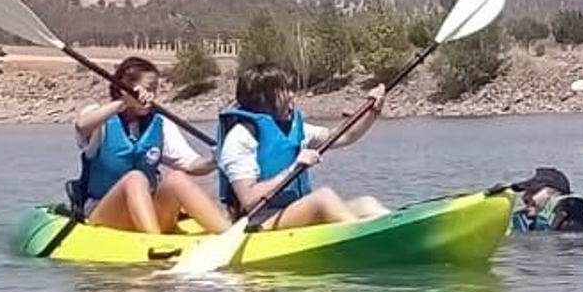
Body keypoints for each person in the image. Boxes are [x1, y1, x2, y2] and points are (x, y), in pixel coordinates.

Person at [216, 64, 390, 232]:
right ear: (263, 98)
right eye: (284, 91)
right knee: (323, 198)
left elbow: (346, 136)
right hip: (258, 219)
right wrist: (292, 170)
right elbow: (248, 199)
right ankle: (364, 244)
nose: (292, 95)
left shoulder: (294, 128)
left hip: (293, 211)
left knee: (368, 204)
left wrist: (372, 111)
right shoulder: (240, 138)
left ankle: (396, 236)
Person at [72, 58, 227, 234]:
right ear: (125, 88)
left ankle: (226, 233)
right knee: (135, 178)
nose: (152, 96)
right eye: (148, 89)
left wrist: (214, 160)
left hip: (149, 210)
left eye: (155, 90)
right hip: (104, 214)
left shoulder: (160, 123)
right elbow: (82, 126)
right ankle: (154, 243)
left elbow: (191, 164)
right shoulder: (99, 118)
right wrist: (124, 102)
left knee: (177, 178)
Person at [490, 166, 583, 234]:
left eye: (533, 192)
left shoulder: (571, 206)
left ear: (554, 193)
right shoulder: (550, 219)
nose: (525, 197)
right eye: (525, 192)